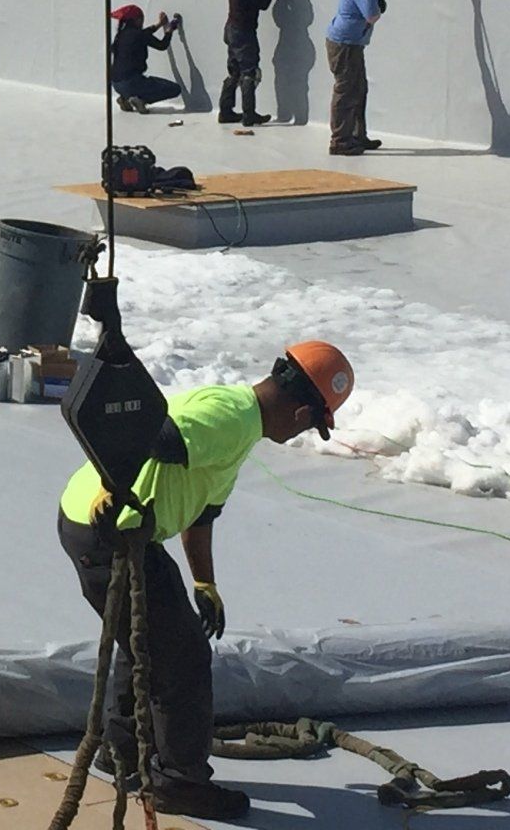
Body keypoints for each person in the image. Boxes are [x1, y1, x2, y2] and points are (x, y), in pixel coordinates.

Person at [57, 341, 357, 822]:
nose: (305, 431)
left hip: (103, 527)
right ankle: (178, 784)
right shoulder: (229, 420)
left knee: (149, 645)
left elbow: (202, 515)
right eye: (312, 425)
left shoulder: (238, 423)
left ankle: (124, 758)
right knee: (183, 659)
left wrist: (205, 585)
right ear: (302, 412)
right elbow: (148, 432)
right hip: (111, 530)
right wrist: (114, 488)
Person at [323, 0, 425, 154]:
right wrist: (380, 7)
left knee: (359, 89)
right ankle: (339, 141)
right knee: (346, 90)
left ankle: (357, 136)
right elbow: (372, 16)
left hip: (351, 43)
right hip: (345, 45)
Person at [218, 0, 286, 126]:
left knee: (234, 71)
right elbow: (262, 4)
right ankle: (249, 114)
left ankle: (225, 111)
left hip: (231, 29)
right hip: (243, 32)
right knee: (249, 72)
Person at [109, 4, 182, 113]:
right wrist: (169, 31)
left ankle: (125, 98)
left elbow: (144, 34)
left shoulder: (121, 35)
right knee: (175, 89)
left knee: (137, 84)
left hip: (116, 84)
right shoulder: (139, 35)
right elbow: (162, 45)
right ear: (137, 20)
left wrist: (158, 24)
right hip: (132, 83)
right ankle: (140, 100)